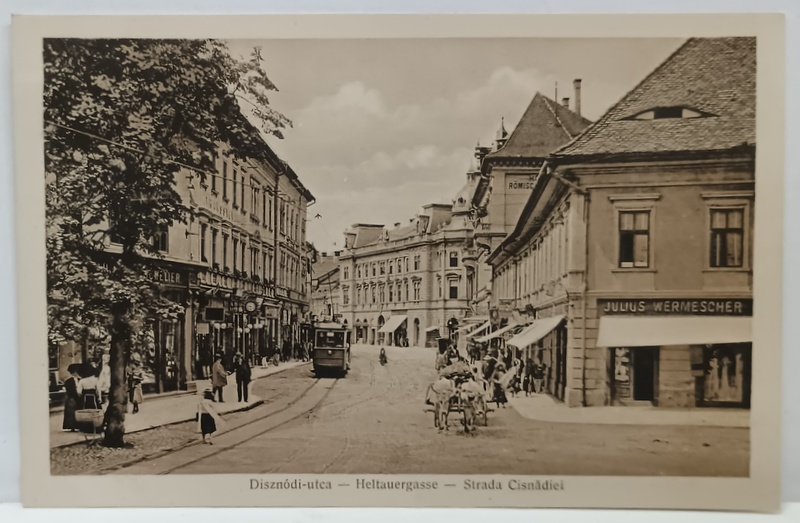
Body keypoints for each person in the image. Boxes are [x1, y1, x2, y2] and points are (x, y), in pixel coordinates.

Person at [62, 366, 83, 431]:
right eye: (75, 372)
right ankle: (71, 426)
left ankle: (78, 426)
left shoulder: (80, 380)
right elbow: (70, 391)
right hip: (72, 398)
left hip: (79, 397)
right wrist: (76, 396)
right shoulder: (68, 381)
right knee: (71, 411)